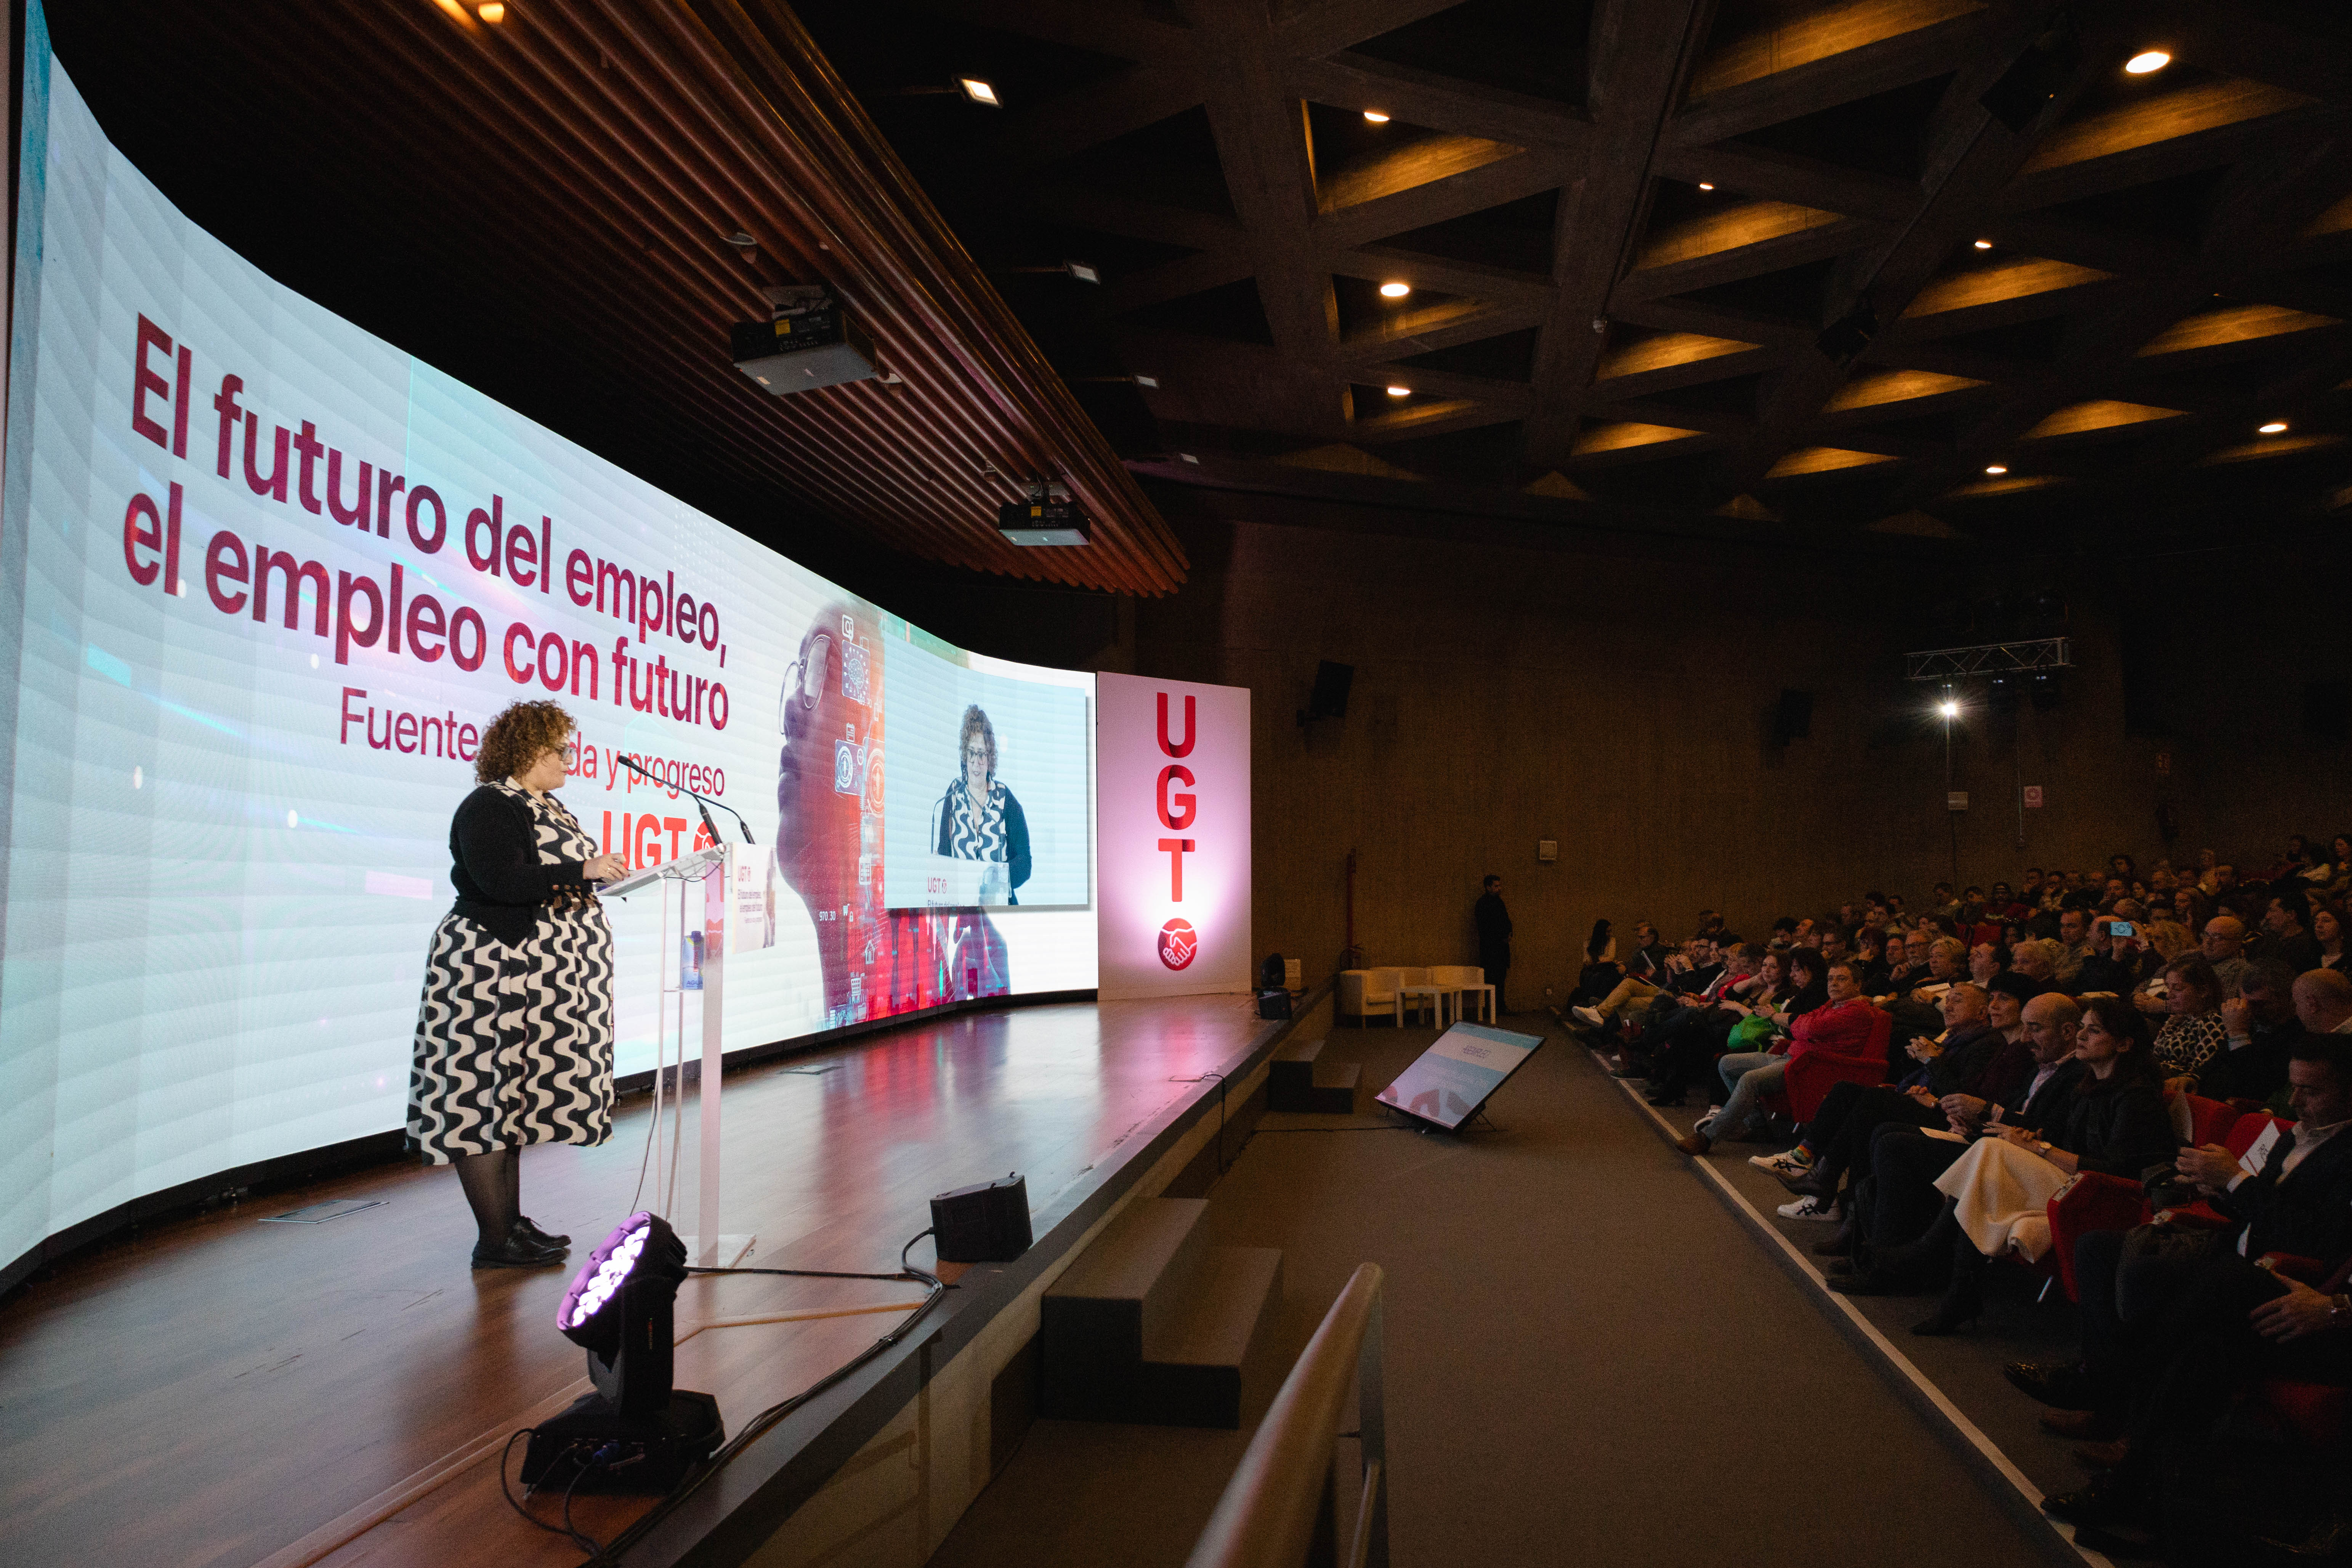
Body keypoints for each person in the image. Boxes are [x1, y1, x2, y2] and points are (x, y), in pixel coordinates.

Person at [407, 701, 627, 1268]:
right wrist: (582, 871)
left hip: (524, 977)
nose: (569, 761)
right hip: (485, 972)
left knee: (508, 1102)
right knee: (479, 1101)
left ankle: (509, 1226)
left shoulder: (543, 806)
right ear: (529, 750)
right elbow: (499, 880)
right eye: (561, 750)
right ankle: (493, 1237)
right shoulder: (488, 805)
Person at [1677, 957, 1871, 1154]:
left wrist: (1777, 1017)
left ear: (1858, 985)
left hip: (1809, 1067)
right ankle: (1757, 1126)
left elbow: (1810, 1027)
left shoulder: (1856, 1011)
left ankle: (1708, 1137)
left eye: (1842, 979)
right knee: (1727, 1063)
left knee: (1750, 1079)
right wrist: (1796, 1023)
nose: (1834, 984)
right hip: (1791, 1054)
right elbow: (1802, 1023)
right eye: (1831, 979)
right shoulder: (1832, 1005)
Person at [933, 704, 1032, 904]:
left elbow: (1025, 864)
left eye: (982, 754)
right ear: (964, 756)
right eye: (971, 753)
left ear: (990, 757)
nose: (976, 763)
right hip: (961, 915)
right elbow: (944, 855)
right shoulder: (952, 796)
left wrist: (995, 877)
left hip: (1000, 915)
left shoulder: (1006, 799)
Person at [1475, 874, 1511, 1009]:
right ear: (1488, 887)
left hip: (1501, 948)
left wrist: (1509, 933)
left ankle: (1500, 1006)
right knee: (1490, 978)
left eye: (1499, 886)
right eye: (1496, 886)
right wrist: (1502, 936)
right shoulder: (1482, 904)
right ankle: (1489, 1008)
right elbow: (1486, 927)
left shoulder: (1500, 903)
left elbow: (1506, 921)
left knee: (1501, 978)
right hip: (1490, 949)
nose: (1499, 888)